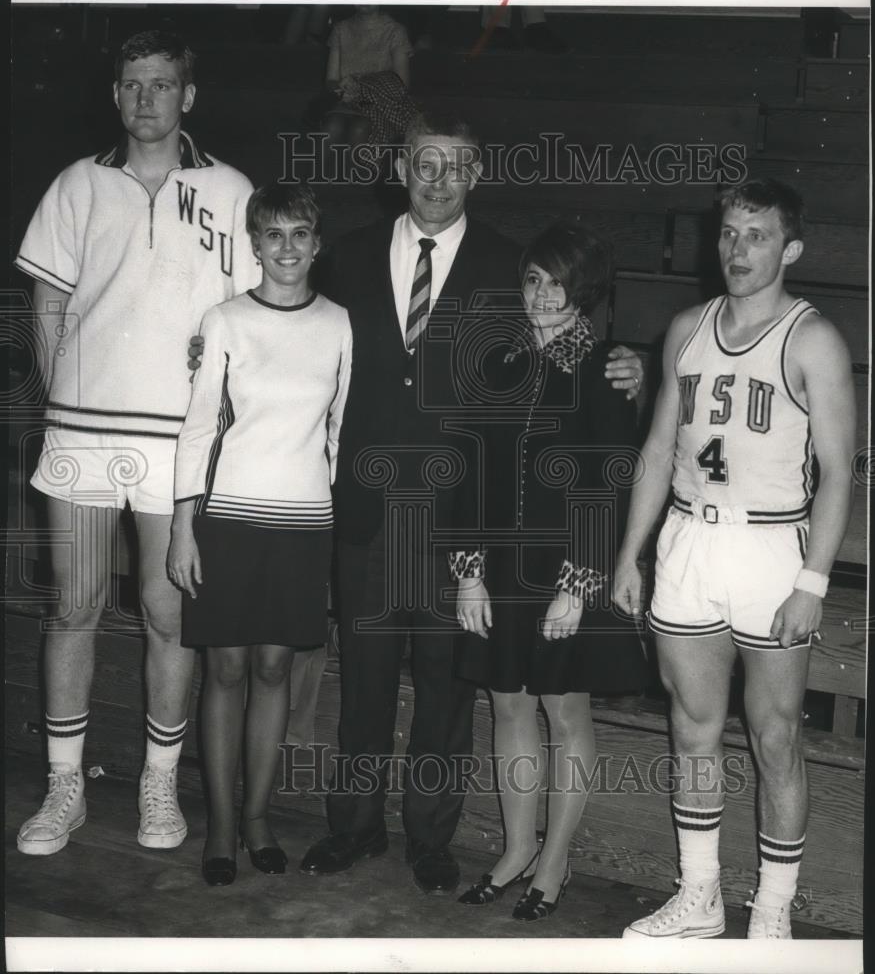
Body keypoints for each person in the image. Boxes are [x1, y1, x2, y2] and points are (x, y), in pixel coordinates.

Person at [296, 109, 645, 894]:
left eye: (455, 166)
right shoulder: (347, 258)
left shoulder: (504, 263)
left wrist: (634, 366)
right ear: (400, 167)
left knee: (450, 692)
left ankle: (430, 840)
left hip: (462, 519)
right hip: (369, 507)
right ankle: (351, 828)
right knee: (366, 679)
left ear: (476, 175)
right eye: (424, 163)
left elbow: (579, 334)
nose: (437, 179)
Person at [14, 30, 259, 857]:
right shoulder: (78, 184)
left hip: (176, 444)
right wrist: (63, 394)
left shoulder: (231, 191)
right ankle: (64, 788)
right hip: (82, 433)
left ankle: (158, 787)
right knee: (72, 607)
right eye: (131, 84)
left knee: (165, 614)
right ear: (115, 95)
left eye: (161, 84)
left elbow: (252, 319)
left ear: (188, 95)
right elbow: (44, 301)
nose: (145, 98)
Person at [612, 178, 855, 939]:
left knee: (774, 733)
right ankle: (699, 897)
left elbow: (841, 471)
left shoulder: (812, 338)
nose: (736, 249)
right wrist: (630, 554)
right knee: (691, 727)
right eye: (728, 233)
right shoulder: (685, 328)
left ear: (789, 249)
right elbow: (655, 451)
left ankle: (774, 913)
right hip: (688, 541)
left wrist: (812, 581)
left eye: (755, 236)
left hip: (769, 548)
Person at [453, 222, 649, 920]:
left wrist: (577, 586)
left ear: (582, 290)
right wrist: (469, 573)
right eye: (532, 279)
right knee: (505, 700)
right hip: (499, 565)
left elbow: (607, 484)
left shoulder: (601, 367)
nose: (541, 294)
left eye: (556, 282)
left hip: (567, 569)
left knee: (563, 711)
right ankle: (514, 849)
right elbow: (468, 472)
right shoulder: (498, 362)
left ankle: (554, 861)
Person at [168, 183, 352, 886]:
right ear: (253, 243)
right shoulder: (225, 321)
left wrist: (332, 530)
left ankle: (257, 818)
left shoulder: (339, 323)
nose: (286, 249)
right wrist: (184, 526)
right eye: (272, 235)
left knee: (275, 669)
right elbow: (198, 428)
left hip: (303, 524)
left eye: (299, 234)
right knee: (225, 670)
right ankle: (218, 826)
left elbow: (338, 431)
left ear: (316, 242)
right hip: (229, 520)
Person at [319, 5, 417, 147]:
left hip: (381, 105)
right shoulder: (341, 29)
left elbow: (402, 84)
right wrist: (341, 89)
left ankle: (358, 169)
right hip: (347, 102)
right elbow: (331, 80)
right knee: (332, 126)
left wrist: (362, 86)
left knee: (360, 129)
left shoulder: (395, 31)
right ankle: (317, 169)